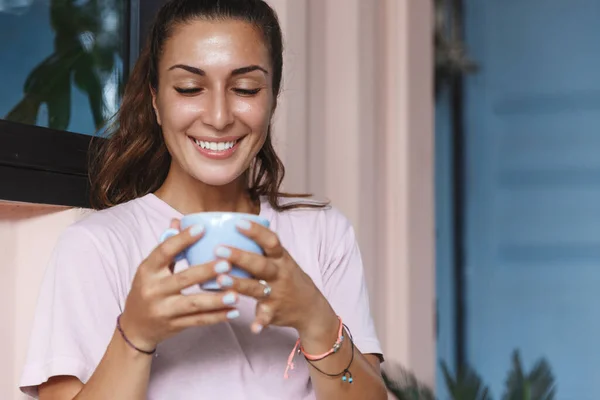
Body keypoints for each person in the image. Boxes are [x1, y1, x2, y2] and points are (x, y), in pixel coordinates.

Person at [19, 0, 386, 399]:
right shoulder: (95, 247)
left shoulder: (324, 234)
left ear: (272, 98)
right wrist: (136, 335)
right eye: (190, 88)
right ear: (156, 101)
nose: (218, 115)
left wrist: (315, 319)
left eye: (245, 88)